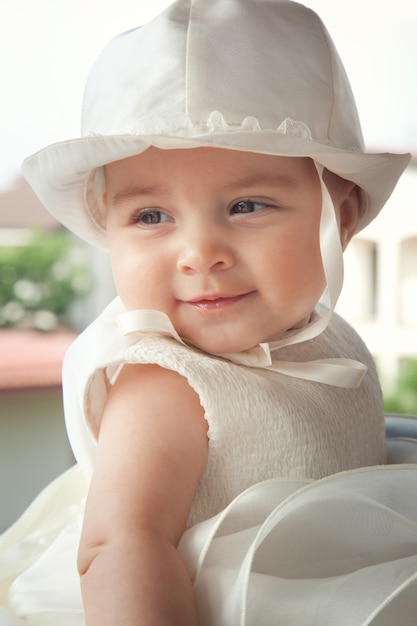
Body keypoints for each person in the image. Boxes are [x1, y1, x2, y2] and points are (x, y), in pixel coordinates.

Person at [1, 1, 417, 624]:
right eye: (151, 217)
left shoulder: (327, 339)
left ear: (342, 217)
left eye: (247, 206)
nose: (199, 255)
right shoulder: (164, 385)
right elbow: (120, 545)